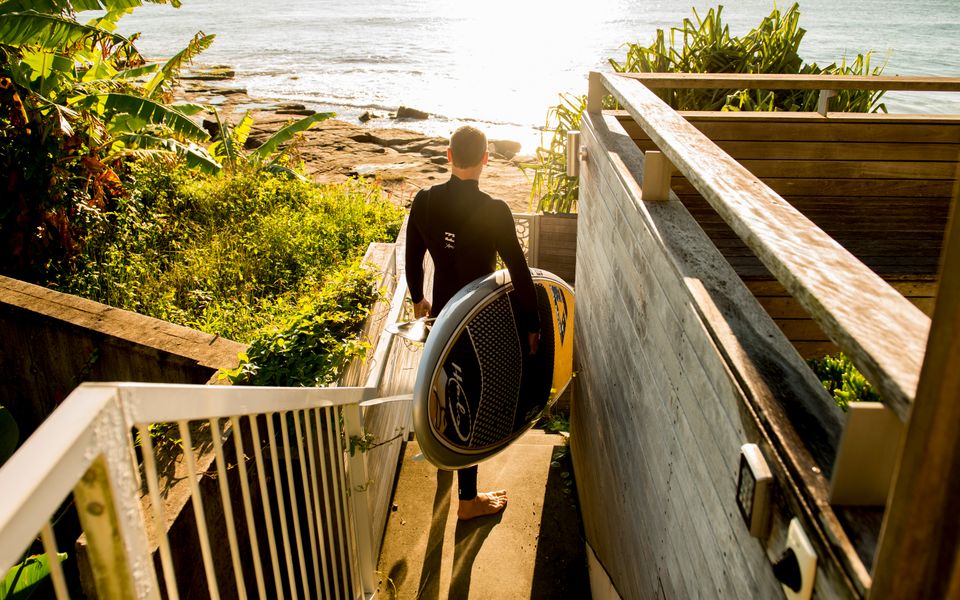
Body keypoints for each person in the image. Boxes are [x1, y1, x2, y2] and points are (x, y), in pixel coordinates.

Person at [405, 125, 541, 520]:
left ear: (449, 156)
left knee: (443, 386)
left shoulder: (425, 201)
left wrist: (419, 300)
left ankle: (445, 464)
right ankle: (467, 501)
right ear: (485, 159)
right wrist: (532, 326)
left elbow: (413, 258)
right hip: (478, 321)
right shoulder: (495, 211)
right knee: (471, 396)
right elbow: (519, 271)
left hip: (440, 314)